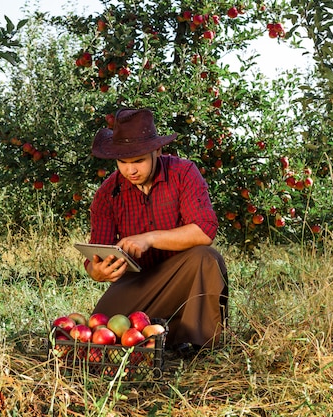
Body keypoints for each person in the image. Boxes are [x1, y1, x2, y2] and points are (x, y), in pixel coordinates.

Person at [84, 107, 228, 354]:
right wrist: (96, 270)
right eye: (123, 162)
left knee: (206, 258)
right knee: (102, 327)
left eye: (138, 160)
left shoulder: (183, 174)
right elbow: (99, 250)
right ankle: (157, 336)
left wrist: (150, 239)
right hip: (139, 283)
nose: (131, 171)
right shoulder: (107, 193)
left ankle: (198, 343)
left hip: (183, 275)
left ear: (157, 151)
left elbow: (204, 231)